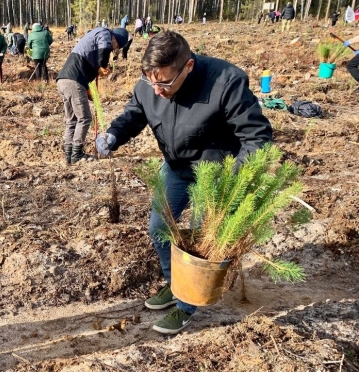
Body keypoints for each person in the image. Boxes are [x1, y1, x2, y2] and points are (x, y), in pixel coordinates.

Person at [95, 30, 272, 335]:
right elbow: (135, 114)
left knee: (200, 246)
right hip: (176, 167)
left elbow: (257, 137)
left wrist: (233, 181)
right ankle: (174, 283)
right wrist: (114, 134)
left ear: (188, 67)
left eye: (164, 82)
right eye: (151, 80)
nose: (157, 89)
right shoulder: (151, 81)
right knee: (158, 227)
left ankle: (186, 306)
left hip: (216, 175)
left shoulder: (226, 81)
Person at [56, 27, 129, 164]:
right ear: (115, 38)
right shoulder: (105, 33)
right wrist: (103, 65)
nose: (114, 49)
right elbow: (105, 48)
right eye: (117, 46)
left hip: (64, 80)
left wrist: (94, 78)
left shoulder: (93, 40)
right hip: (74, 80)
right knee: (85, 118)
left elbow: (89, 64)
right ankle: (76, 154)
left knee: (72, 119)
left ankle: (69, 154)